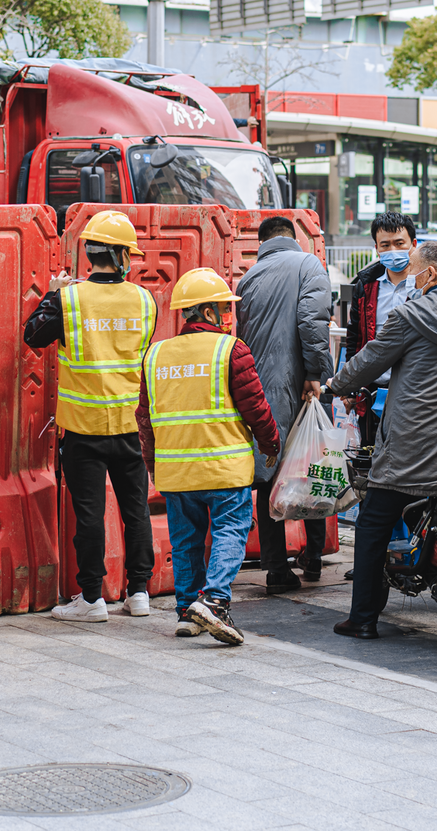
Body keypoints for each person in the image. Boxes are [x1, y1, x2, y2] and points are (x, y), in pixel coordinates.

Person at [326, 240, 437, 639]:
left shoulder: (409, 315)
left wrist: (336, 384)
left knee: (373, 522)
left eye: (412, 269)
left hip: (414, 450)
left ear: (429, 275)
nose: (408, 277)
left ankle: (363, 618)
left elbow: (368, 362)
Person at [23, 211, 157, 623]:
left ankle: (92, 598)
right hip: (125, 427)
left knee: (89, 515)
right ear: (120, 256)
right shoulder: (144, 300)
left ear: (90, 254)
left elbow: (33, 335)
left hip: (82, 429)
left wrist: (52, 292)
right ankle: (138, 593)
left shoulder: (69, 299)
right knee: (135, 510)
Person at [136, 269, 280, 645]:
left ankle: (188, 611)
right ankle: (215, 601)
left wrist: (154, 465)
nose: (227, 315)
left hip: (177, 473)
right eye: (223, 307)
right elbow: (256, 408)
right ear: (210, 312)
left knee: (185, 542)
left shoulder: (156, 355)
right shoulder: (231, 350)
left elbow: (145, 420)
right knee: (230, 531)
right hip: (224, 468)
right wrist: (271, 444)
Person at [236, 215, 334, 593]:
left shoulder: (249, 278)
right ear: (292, 238)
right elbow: (313, 321)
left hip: (260, 390)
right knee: (311, 467)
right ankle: (311, 555)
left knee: (269, 475)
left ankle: (276, 567)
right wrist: (316, 373)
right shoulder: (308, 264)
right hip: (297, 385)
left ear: (262, 243)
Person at [344, 212, 418, 444]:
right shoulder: (365, 286)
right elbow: (355, 337)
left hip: (414, 389)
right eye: (385, 245)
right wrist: (350, 387)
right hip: (372, 389)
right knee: (371, 455)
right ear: (376, 248)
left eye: (399, 243)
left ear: (413, 245)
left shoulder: (425, 284)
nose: (393, 250)